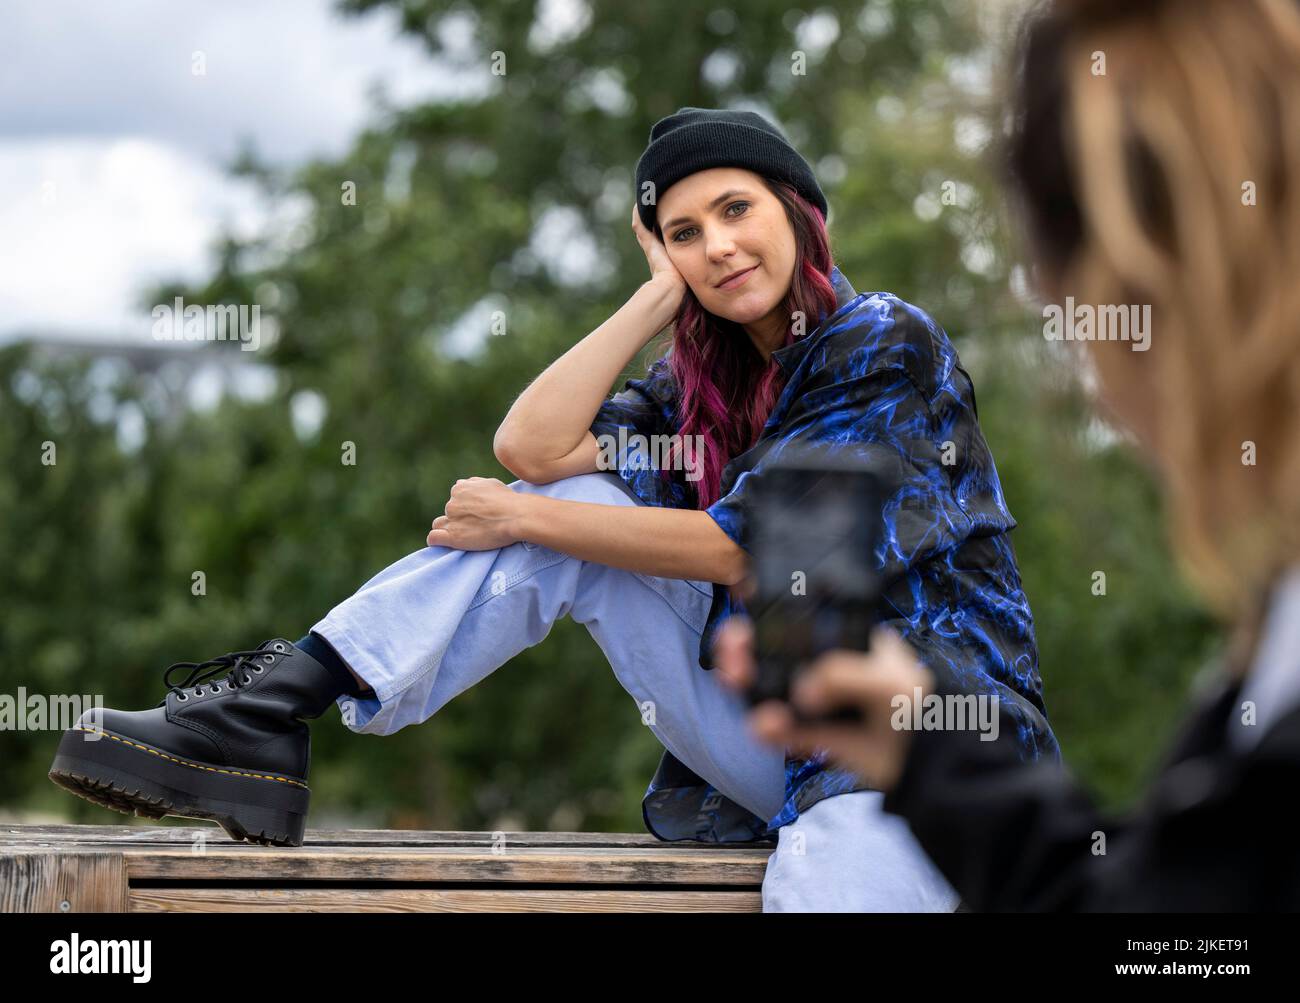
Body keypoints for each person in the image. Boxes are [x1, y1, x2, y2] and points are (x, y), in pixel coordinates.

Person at [48, 106, 1052, 912]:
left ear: (797, 209)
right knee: (563, 496)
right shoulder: (693, 386)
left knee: (546, 519)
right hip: (787, 743)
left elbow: (740, 549)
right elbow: (530, 449)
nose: (717, 246)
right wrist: (657, 297)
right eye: (683, 232)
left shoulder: (881, 342)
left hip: (920, 750)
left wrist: (524, 517)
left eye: (738, 210)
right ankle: (271, 713)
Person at [714, 0, 1300, 911]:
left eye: (1074, 309)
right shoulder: (1268, 657)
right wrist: (926, 751)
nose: (1094, 379)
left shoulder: (882, 337)